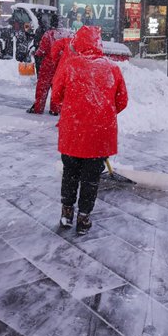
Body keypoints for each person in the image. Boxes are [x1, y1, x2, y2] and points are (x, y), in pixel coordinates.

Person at [49, 26, 129, 234]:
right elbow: (122, 101)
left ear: (78, 43)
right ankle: (84, 218)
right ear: (98, 44)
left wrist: (73, 109)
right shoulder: (112, 69)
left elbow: (56, 97)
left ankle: (67, 212)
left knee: (70, 173)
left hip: (72, 134)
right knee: (91, 178)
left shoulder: (69, 66)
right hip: (99, 134)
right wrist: (102, 113)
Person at [28, 13, 73, 115]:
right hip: (61, 65)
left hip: (48, 65)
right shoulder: (68, 35)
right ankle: (55, 108)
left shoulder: (49, 34)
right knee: (57, 88)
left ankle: (38, 108)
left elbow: (42, 50)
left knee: (42, 87)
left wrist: (36, 53)